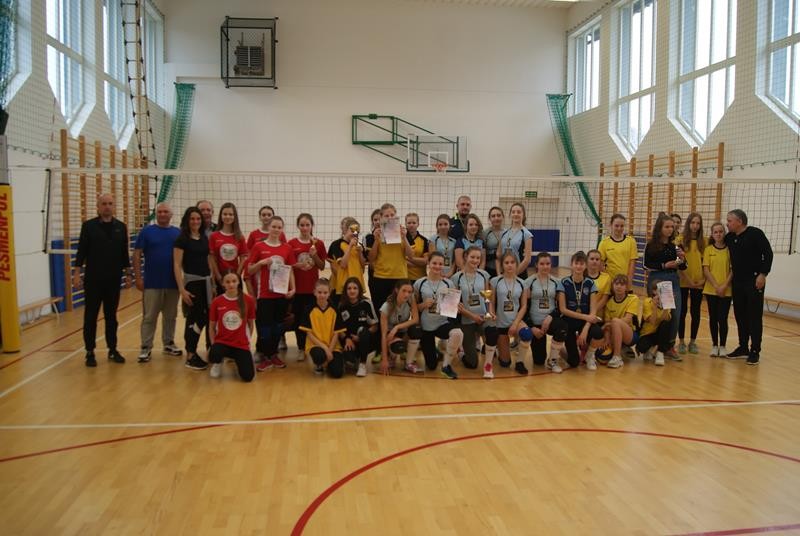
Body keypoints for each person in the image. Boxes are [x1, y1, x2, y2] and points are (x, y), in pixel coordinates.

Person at [73, 193, 131, 367]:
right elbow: (81, 252)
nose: (107, 206)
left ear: (114, 206)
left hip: (113, 280)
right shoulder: (89, 226)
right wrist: (77, 273)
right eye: (104, 203)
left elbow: (124, 253)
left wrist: (128, 274)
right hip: (93, 280)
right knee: (90, 316)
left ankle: (112, 349)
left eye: (110, 203)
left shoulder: (121, 227)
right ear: (98, 207)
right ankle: (90, 351)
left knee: (111, 316)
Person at [132, 202, 182, 363]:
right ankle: (146, 347)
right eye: (159, 212)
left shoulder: (178, 233)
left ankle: (168, 343)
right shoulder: (147, 231)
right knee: (149, 317)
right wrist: (138, 278)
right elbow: (136, 255)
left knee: (170, 316)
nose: (162, 214)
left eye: (165, 212)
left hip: (172, 283)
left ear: (171, 214)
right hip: (152, 283)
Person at [247, 216, 296, 371]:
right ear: (269, 228)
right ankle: (266, 357)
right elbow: (249, 270)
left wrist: (293, 288)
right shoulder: (258, 247)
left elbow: (290, 270)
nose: (276, 229)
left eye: (279, 227)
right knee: (265, 327)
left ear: (282, 230)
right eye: (274, 226)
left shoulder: (287, 248)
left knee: (278, 326)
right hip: (264, 295)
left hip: (281, 295)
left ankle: (273, 355)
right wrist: (261, 263)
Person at [724, 209, 773, 366]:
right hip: (737, 282)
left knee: (754, 316)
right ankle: (743, 347)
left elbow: (768, 254)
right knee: (740, 315)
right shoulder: (729, 237)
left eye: (729, 221)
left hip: (754, 281)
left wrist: (763, 274)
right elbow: (715, 242)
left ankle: (755, 350)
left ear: (739, 221)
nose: (727, 223)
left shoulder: (755, 234)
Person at [413, 252, 464, 379]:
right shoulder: (419, 283)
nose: (437, 266)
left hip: (442, 324)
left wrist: (457, 308)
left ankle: (446, 366)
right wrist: (423, 305)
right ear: (428, 263)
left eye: (440, 264)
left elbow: (452, 309)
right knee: (431, 366)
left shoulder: (448, 284)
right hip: (426, 327)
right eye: (434, 263)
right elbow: (413, 308)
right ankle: (435, 352)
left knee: (457, 333)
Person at [173, 206, 212, 371]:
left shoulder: (203, 238)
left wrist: (213, 283)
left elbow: (207, 260)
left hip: (206, 283)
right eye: (192, 219)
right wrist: (182, 289)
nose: (195, 221)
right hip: (192, 284)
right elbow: (176, 265)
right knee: (194, 318)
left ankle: (206, 350)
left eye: (198, 219)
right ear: (187, 221)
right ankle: (190, 355)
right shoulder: (182, 239)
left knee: (205, 317)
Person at [644, 213, 687, 360]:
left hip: (673, 280)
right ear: (660, 228)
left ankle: (669, 346)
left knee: (675, 314)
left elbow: (683, 266)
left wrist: (682, 258)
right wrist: (664, 265)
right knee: (662, 315)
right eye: (667, 226)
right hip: (659, 280)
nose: (670, 229)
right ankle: (656, 346)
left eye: (672, 227)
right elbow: (646, 265)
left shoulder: (675, 245)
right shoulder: (652, 245)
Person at [451, 246, 497, 377]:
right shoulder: (456, 278)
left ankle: (488, 366)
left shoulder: (484, 275)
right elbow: (455, 305)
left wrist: (490, 312)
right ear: (466, 256)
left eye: (478, 258)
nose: (475, 260)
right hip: (466, 320)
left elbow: (487, 297)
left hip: (483, 317)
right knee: (472, 364)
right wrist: (472, 316)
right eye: (472, 257)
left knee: (492, 331)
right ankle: (461, 352)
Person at [557, 251, 605, 371]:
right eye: (576, 263)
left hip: (584, 322)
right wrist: (585, 317)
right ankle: (562, 350)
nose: (579, 266)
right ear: (571, 265)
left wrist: (585, 329)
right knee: (574, 363)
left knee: (598, 332)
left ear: (585, 266)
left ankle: (589, 356)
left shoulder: (590, 283)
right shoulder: (563, 283)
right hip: (569, 322)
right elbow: (563, 309)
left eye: (581, 264)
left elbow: (593, 311)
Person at [288, 213, 327, 359]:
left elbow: (322, 266)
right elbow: (289, 265)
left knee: (312, 320)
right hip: (297, 289)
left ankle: (313, 346)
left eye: (307, 225)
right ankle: (300, 348)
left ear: (312, 226)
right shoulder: (291, 243)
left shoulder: (318, 243)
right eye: (302, 225)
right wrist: (298, 265)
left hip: (313, 290)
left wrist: (314, 255)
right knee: (298, 320)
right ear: (298, 226)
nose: (304, 228)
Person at [524, 252, 569, 373]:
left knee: (562, 326)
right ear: (536, 265)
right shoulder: (528, 282)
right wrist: (532, 327)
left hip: (551, 320)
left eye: (548, 264)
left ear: (551, 264)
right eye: (542, 264)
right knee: (538, 361)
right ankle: (559, 349)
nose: (545, 266)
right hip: (536, 324)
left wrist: (550, 316)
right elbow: (524, 307)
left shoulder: (557, 282)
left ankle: (553, 360)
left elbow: (560, 306)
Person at [368, 203, 413, 321]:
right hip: (381, 277)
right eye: (386, 216)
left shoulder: (403, 232)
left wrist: (404, 237)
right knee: (381, 312)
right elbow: (371, 258)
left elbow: (411, 255)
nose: (390, 218)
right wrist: (376, 240)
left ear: (396, 216)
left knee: (398, 312)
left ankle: (397, 332)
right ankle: (381, 333)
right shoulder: (377, 234)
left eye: (392, 215)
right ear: (381, 218)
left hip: (399, 277)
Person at [208, 271, 256, 382]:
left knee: (248, 377)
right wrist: (213, 344)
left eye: (234, 281)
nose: (231, 284)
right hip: (222, 342)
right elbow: (211, 326)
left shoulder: (248, 300)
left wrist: (247, 340)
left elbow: (250, 323)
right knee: (214, 354)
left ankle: (238, 359)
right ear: (223, 284)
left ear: (238, 282)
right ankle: (218, 362)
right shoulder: (217, 301)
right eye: (228, 282)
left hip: (240, 344)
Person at [489, 252, 532, 375]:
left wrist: (515, 324)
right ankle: (500, 348)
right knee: (505, 363)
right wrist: (492, 314)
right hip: (501, 322)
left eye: (512, 262)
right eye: (506, 262)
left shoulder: (522, 283)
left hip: (515, 321)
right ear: (502, 265)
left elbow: (524, 306)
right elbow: (491, 302)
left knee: (527, 334)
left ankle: (520, 362)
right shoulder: (495, 281)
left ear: (516, 264)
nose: (509, 265)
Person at [300, 279, 346, 378]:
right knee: (319, 355)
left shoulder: (335, 310)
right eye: (319, 292)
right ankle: (319, 364)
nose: (322, 295)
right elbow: (309, 334)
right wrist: (325, 349)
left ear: (329, 293)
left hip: (333, 346)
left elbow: (336, 333)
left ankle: (330, 364)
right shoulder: (308, 309)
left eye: (325, 293)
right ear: (314, 292)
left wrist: (330, 350)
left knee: (337, 373)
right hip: (315, 345)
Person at [676, 212, 705, 355]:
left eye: (698, 223)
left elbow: (706, 264)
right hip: (683, 281)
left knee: (695, 312)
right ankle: (681, 341)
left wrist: (703, 281)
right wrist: (688, 280)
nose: (695, 226)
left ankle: (693, 342)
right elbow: (678, 263)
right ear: (688, 224)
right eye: (693, 222)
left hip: (698, 283)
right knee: (681, 313)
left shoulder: (704, 242)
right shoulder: (680, 240)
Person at [379, 280, 423, 374]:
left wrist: (397, 327)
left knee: (416, 330)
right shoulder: (386, 307)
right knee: (398, 346)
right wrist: (384, 360)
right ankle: (391, 357)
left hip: (402, 331)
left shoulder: (410, 299)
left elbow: (415, 319)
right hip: (390, 335)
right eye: (404, 291)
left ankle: (409, 363)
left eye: (409, 292)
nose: (407, 294)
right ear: (396, 290)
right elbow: (383, 335)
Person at [338, 277, 378, 377]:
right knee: (349, 358)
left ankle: (362, 364)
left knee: (363, 331)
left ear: (359, 289)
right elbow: (339, 329)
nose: (352, 291)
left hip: (364, 338)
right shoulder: (341, 305)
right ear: (345, 290)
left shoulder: (366, 303)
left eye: (355, 288)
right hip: (349, 340)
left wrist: (361, 337)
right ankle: (354, 358)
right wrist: (347, 339)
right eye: (349, 288)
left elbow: (375, 326)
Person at [703, 222, 733, 357]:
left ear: (724, 233)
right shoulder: (708, 249)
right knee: (713, 318)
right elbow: (706, 270)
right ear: (712, 234)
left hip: (726, 290)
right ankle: (714, 345)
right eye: (716, 232)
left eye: (721, 231)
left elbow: (733, 270)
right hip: (711, 289)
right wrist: (716, 286)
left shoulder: (729, 250)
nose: (718, 234)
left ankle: (723, 346)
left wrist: (724, 286)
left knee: (723, 318)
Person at [601, 274, 640, 369]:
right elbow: (606, 325)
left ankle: (617, 357)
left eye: (622, 284)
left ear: (626, 287)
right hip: (614, 332)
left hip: (630, 334)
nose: (618, 287)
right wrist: (607, 339)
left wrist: (610, 323)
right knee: (601, 338)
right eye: (616, 284)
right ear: (612, 286)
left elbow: (627, 319)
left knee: (615, 321)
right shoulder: (609, 303)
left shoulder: (633, 299)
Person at [209, 202, 248, 295]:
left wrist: (237, 275)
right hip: (220, 278)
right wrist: (218, 276)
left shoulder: (239, 237)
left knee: (237, 303)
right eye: (225, 214)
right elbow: (212, 258)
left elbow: (243, 258)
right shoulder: (214, 236)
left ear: (235, 217)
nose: (227, 216)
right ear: (221, 216)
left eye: (230, 214)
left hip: (235, 278)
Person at [327, 217, 365, 307]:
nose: (355, 233)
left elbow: (363, 267)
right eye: (352, 230)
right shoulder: (336, 244)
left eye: (357, 231)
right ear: (345, 230)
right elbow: (343, 265)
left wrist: (360, 253)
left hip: (357, 285)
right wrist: (350, 246)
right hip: (343, 286)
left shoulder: (359, 246)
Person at [637, 279, 672, 366]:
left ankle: (660, 353)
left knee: (666, 324)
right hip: (647, 333)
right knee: (642, 347)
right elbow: (652, 321)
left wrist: (666, 306)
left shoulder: (666, 302)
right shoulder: (647, 301)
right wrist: (655, 306)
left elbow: (665, 319)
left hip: (659, 333)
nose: (660, 292)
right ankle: (651, 349)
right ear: (653, 291)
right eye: (657, 289)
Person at [598, 213, 638, 288]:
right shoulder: (604, 243)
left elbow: (632, 263)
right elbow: (600, 264)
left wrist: (629, 280)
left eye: (622, 226)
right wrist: (609, 280)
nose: (619, 228)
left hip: (625, 283)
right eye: (616, 226)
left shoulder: (631, 241)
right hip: (610, 283)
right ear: (611, 225)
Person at [496, 203, 532, 276]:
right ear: (510, 215)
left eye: (519, 212)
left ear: (523, 215)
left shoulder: (527, 234)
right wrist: (499, 273)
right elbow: (498, 255)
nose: (516, 214)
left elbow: (527, 260)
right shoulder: (504, 233)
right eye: (513, 212)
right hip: (504, 273)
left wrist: (513, 275)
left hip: (519, 274)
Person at [430, 214, 458, 278]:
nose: (443, 227)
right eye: (440, 224)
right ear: (437, 226)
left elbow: (454, 260)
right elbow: (432, 258)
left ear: (449, 225)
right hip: (436, 271)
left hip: (450, 273)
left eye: (445, 224)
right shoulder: (433, 239)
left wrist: (451, 272)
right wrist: (440, 272)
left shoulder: (453, 241)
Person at [405, 213, 429, 282]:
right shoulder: (401, 239)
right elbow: (399, 261)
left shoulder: (424, 240)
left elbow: (425, 261)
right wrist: (418, 263)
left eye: (414, 223)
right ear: (405, 224)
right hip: (404, 278)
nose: (411, 225)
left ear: (418, 224)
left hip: (419, 278)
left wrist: (408, 258)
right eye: (409, 223)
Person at [483, 206, 505, 279]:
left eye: (498, 215)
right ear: (489, 218)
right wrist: (495, 255)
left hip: (504, 269)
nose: (496, 218)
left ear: (503, 217)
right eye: (493, 216)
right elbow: (482, 254)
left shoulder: (508, 233)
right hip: (488, 269)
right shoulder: (485, 233)